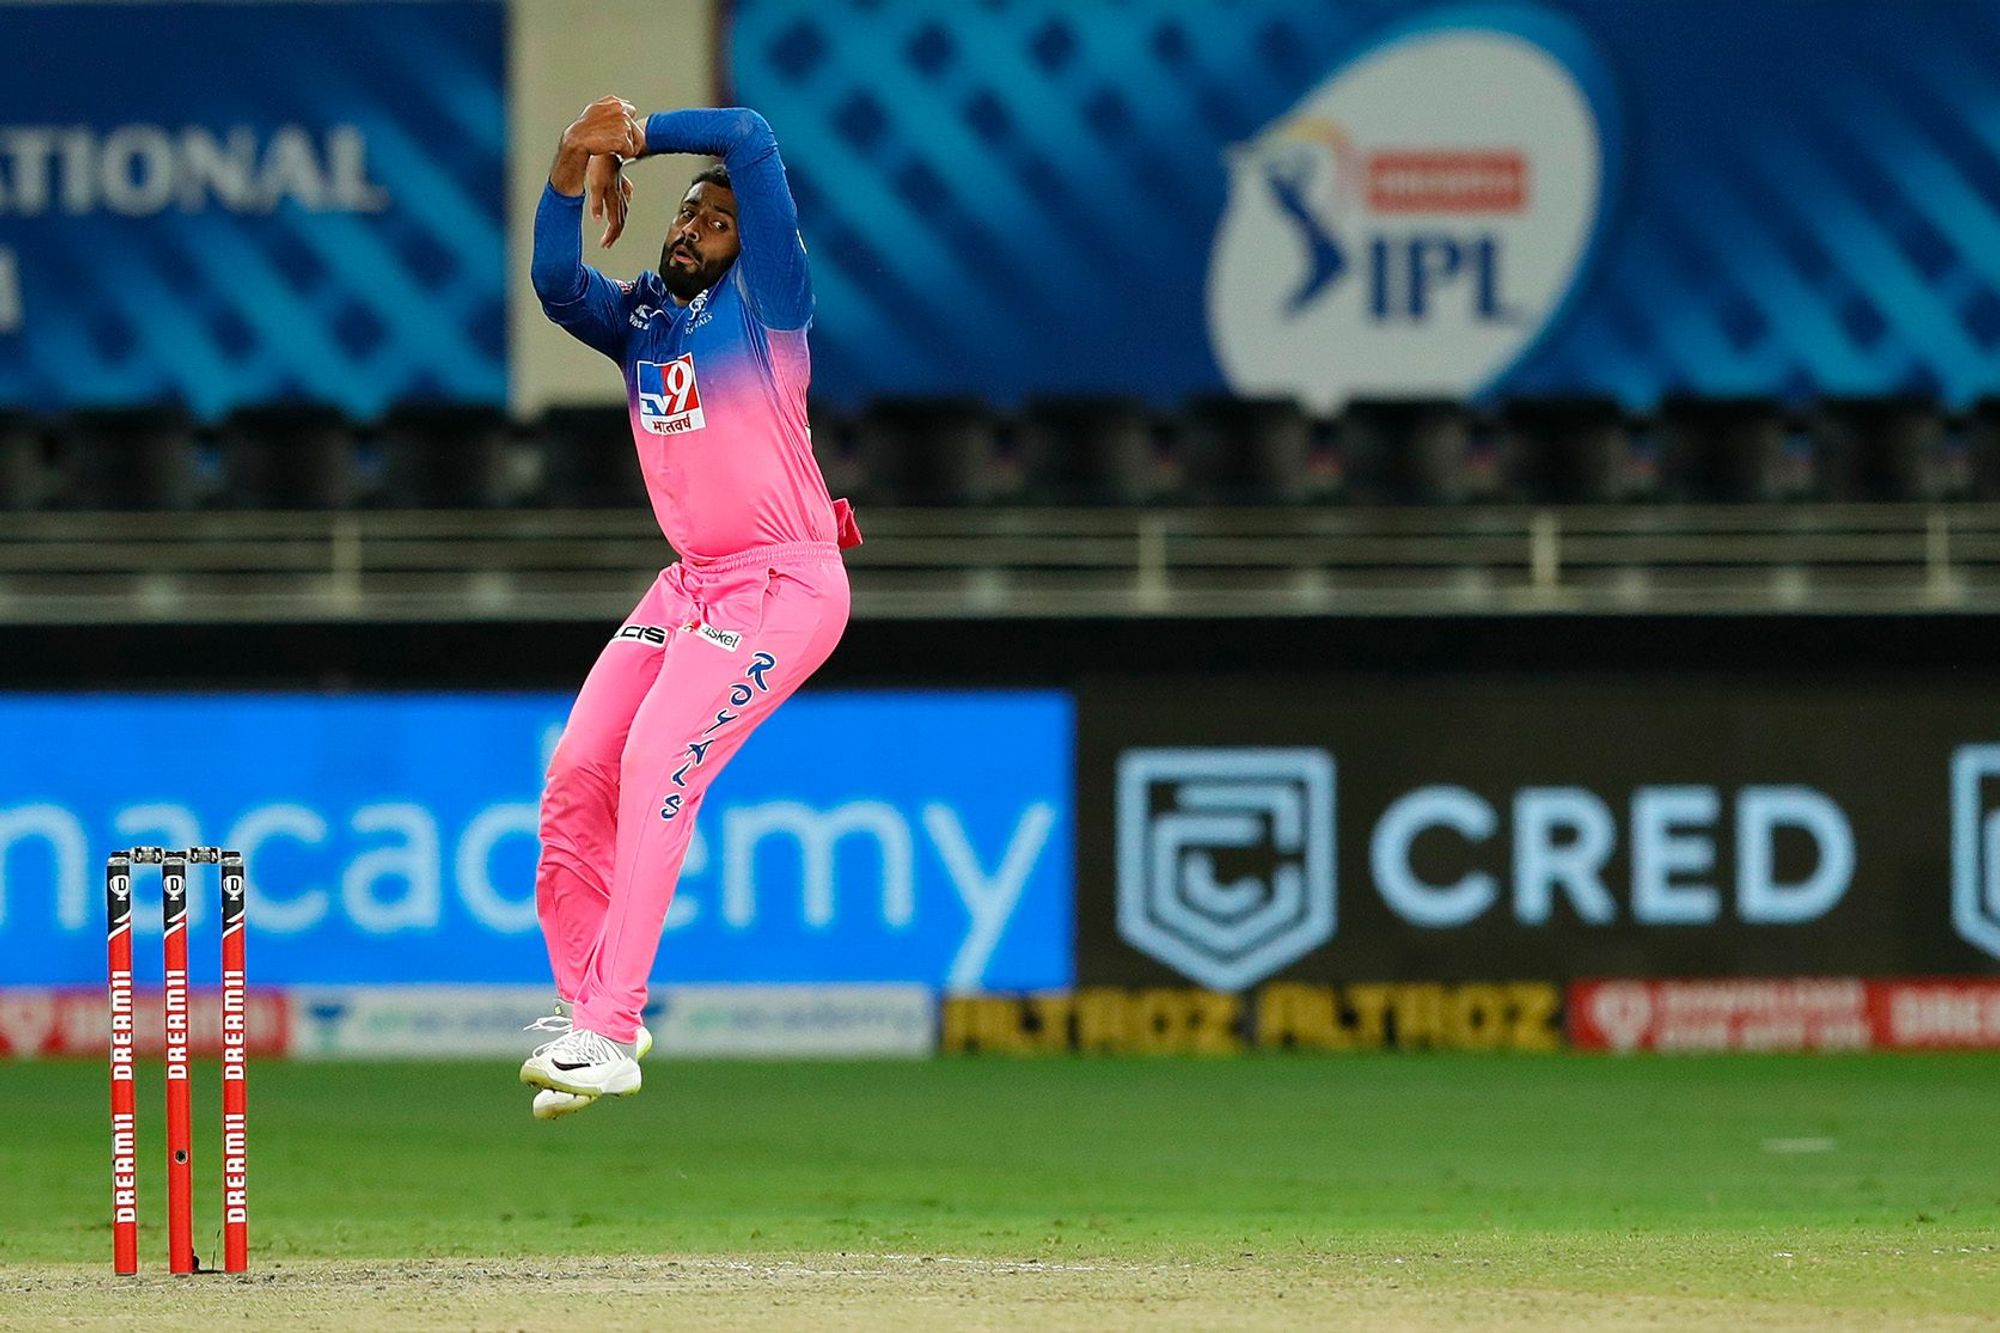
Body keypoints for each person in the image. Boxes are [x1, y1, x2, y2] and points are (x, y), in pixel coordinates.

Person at [517, 97, 859, 1119]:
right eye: (685, 213)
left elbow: (748, 134)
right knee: (577, 770)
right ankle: (590, 1011)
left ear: (752, 246)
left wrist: (637, 134)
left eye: (717, 221)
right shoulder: (641, 321)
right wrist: (570, 160)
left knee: (659, 759)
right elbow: (553, 281)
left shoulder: (768, 300)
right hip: (692, 583)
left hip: (784, 582)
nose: (692, 227)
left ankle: (611, 1025)